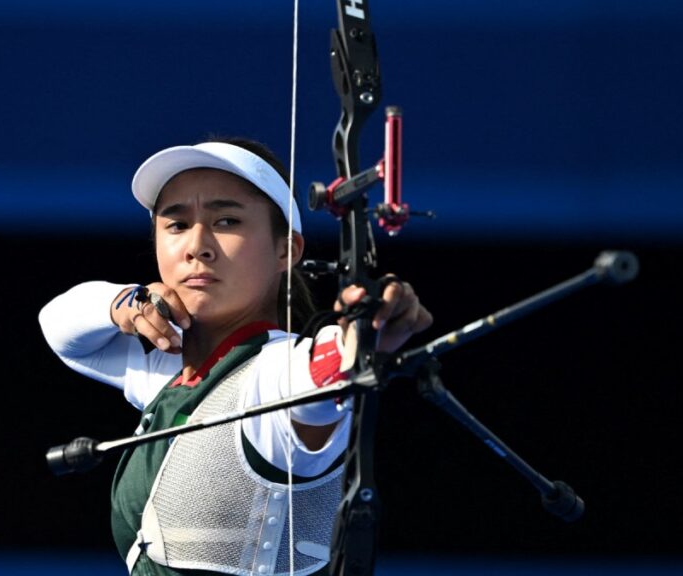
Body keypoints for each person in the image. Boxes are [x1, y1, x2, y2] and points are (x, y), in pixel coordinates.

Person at [38, 137, 433, 576]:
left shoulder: (278, 373)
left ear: (287, 250)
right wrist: (124, 302)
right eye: (176, 225)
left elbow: (321, 373)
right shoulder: (166, 370)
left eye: (226, 221)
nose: (197, 246)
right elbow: (58, 326)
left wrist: (368, 330)